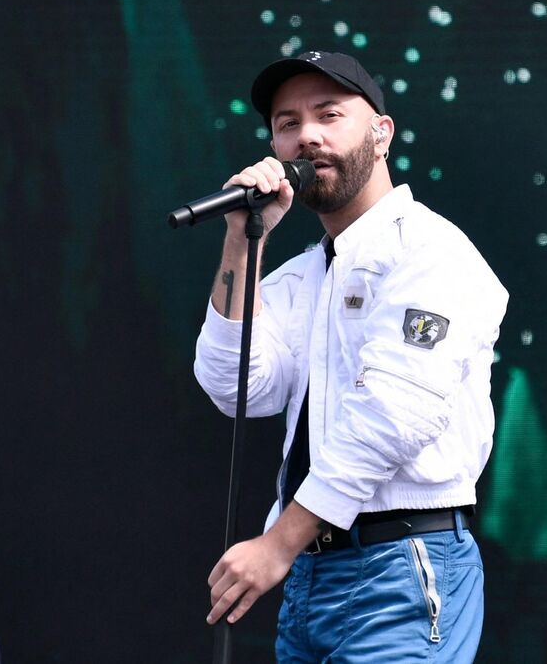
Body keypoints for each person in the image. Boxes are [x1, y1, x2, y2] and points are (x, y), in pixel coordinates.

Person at [193, 50, 508, 661]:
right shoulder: (303, 273)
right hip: (312, 575)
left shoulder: (431, 252)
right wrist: (241, 241)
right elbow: (235, 388)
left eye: (328, 115)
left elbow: (396, 415)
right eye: (287, 124)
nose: (305, 135)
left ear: (382, 133)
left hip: (401, 560)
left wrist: (277, 543)